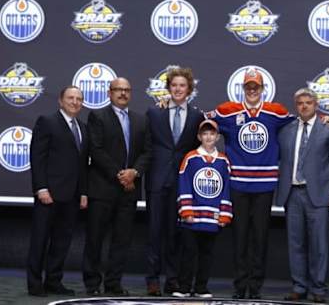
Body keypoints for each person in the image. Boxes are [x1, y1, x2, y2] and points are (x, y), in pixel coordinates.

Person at [210, 68, 294, 299]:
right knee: (240, 237)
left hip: (264, 186)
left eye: (256, 85)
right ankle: (240, 285)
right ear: (243, 88)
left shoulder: (275, 112)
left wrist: (327, 119)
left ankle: (255, 285)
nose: (252, 89)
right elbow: (201, 119)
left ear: (262, 88)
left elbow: (299, 124)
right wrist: (168, 104)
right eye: (249, 85)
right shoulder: (229, 111)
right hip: (238, 184)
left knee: (260, 237)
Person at [82, 77, 152, 296]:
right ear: (109, 92)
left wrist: (134, 172)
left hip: (129, 192)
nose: (123, 93)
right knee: (95, 239)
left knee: (122, 241)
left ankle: (113, 284)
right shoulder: (98, 116)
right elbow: (96, 149)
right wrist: (120, 174)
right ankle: (93, 284)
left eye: (127, 90)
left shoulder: (141, 120)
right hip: (103, 189)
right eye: (118, 90)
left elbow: (147, 152)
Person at [276, 88, 329, 304]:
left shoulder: (328, 130)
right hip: (292, 193)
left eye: (308, 102)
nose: (304, 106)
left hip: (319, 194)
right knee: (296, 243)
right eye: (300, 103)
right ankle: (299, 286)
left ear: (316, 104)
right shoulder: (287, 130)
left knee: (319, 245)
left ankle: (318, 288)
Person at [145, 67, 204, 296]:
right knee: (154, 233)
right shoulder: (154, 113)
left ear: (189, 90)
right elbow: (148, 148)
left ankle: (172, 279)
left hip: (181, 184)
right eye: (174, 85)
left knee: (175, 234)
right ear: (168, 88)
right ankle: (152, 279)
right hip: (157, 181)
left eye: (182, 85)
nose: (178, 89)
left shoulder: (197, 116)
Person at [27, 85, 88, 297]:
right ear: (60, 101)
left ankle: (53, 282)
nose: (75, 102)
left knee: (62, 242)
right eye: (71, 98)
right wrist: (41, 187)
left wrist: (83, 193)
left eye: (79, 99)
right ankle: (35, 284)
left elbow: (82, 165)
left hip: (71, 197)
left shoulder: (82, 127)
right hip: (49, 194)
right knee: (40, 240)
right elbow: (37, 157)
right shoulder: (47, 121)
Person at [172, 119, 232, 298]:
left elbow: (226, 188)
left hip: (212, 217)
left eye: (212, 134)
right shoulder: (191, 158)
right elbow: (184, 184)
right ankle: (184, 286)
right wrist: (187, 211)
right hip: (193, 217)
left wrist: (224, 214)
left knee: (206, 254)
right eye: (205, 134)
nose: (208, 137)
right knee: (188, 253)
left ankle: (201, 287)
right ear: (199, 136)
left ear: (217, 136)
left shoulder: (223, 161)